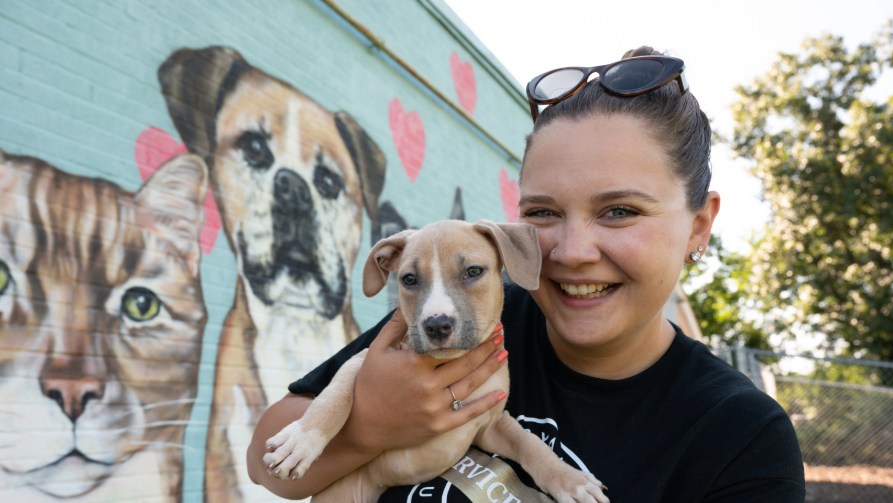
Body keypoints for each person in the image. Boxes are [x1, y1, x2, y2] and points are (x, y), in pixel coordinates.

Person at [246, 46, 806, 502]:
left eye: (620, 211)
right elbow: (265, 465)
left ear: (699, 225)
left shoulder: (739, 438)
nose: (573, 250)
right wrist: (370, 426)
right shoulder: (482, 311)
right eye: (542, 212)